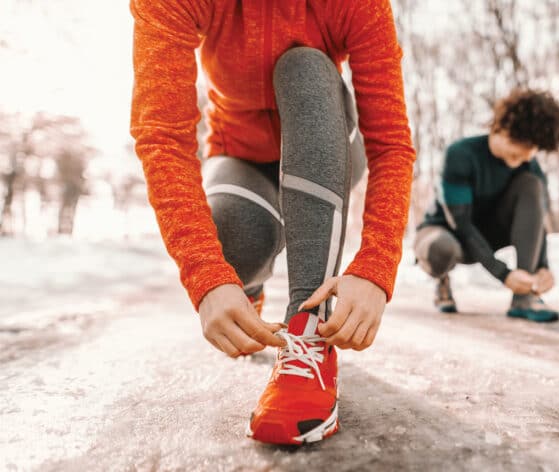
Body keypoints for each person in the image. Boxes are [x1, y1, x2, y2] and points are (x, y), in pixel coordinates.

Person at [130, 0, 415, 445]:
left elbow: (392, 145)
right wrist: (209, 278)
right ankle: (250, 283)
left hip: (330, 144)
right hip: (242, 156)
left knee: (302, 65)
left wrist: (376, 266)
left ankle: (309, 333)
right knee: (231, 236)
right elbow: (162, 136)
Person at [413, 89, 559, 322]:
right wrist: (503, 274)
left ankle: (524, 298)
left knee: (532, 184)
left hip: (488, 233)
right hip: (446, 231)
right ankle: (442, 280)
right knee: (441, 248)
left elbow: (536, 220)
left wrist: (542, 268)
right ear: (499, 128)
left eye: (531, 150)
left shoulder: (529, 166)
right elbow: (461, 224)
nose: (525, 155)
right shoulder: (460, 154)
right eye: (519, 144)